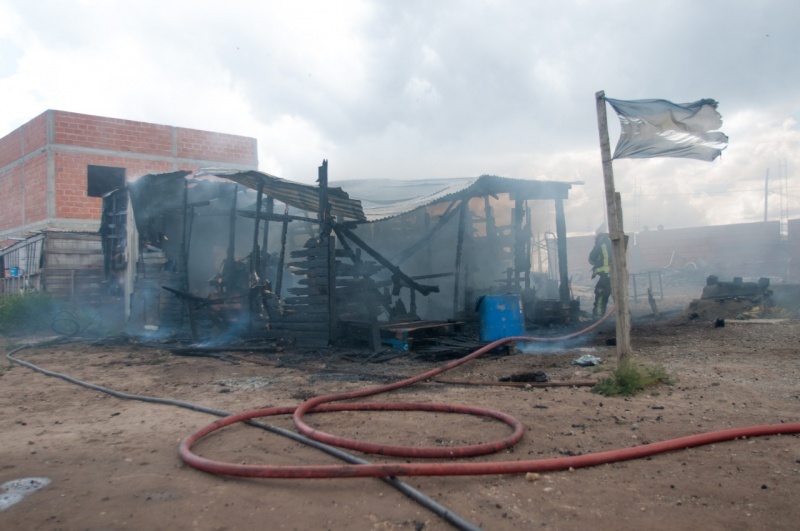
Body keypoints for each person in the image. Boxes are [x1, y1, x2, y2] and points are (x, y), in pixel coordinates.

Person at [589, 227, 612, 318]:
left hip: (605, 276)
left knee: (600, 295)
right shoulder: (613, 242)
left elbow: (591, 259)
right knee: (619, 297)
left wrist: (598, 261)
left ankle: (597, 317)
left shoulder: (600, 244)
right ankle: (626, 316)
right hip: (616, 275)